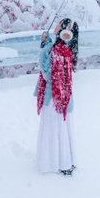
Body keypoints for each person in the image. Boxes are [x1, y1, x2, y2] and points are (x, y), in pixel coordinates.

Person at [36, 17, 78, 175]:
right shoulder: (61, 48)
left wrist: (43, 50)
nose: (56, 25)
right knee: (61, 131)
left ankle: (54, 163)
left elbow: (47, 73)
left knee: (53, 130)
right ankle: (64, 160)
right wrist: (46, 44)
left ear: (63, 30)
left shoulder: (58, 51)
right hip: (61, 98)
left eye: (59, 24)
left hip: (55, 99)